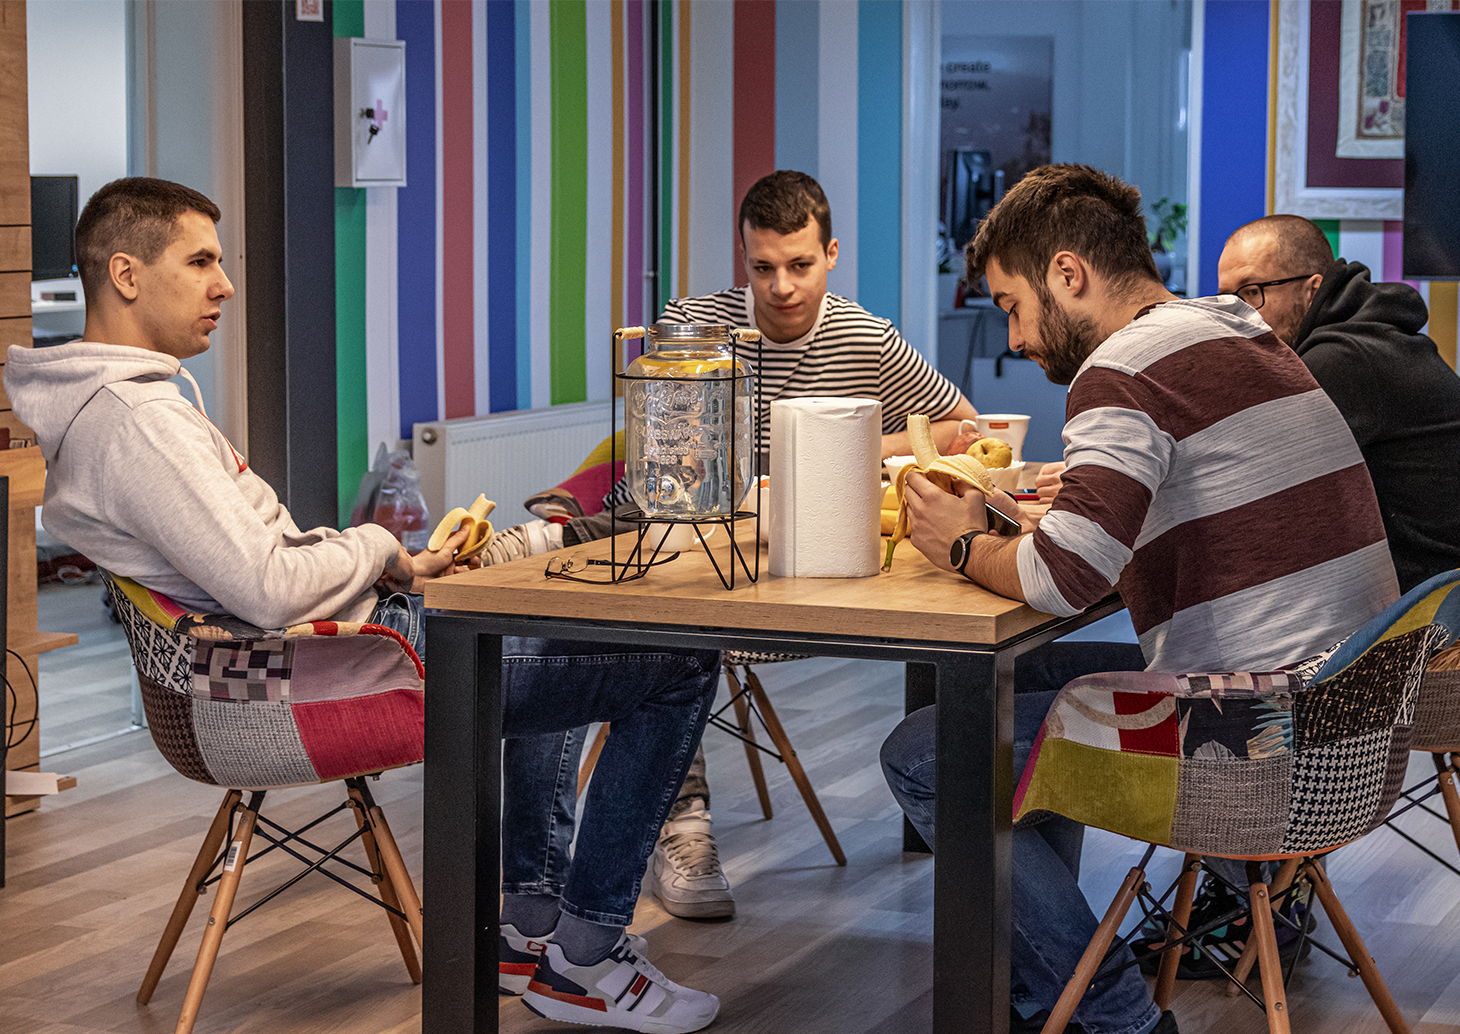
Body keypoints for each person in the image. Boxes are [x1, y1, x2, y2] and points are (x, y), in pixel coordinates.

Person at [4, 177, 722, 1034]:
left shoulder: (117, 406)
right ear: (124, 273)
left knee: (546, 625)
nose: (224, 284)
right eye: (200, 261)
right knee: (680, 659)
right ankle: (588, 956)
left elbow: (254, 570)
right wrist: (380, 550)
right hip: (299, 687)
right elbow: (267, 586)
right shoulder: (136, 419)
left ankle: (527, 927)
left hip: (272, 665)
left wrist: (389, 564)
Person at [878, 164, 1399, 1034]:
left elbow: (1061, 579)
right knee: (1010, 695)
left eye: (1011, 304)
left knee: (935, 749)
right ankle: (1050, 980)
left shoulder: (1119, 371)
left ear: (1068, 275)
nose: (1012, 339)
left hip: (1260, 739)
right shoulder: (1232, 329)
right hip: (1350, 715)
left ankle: (1113, 1015)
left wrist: (964, 541)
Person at [577, 170, 977, 920]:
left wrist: (842, 441)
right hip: (697, 552)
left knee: (608, 576)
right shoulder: (696, 323)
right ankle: (680, 821)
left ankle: (535, 542)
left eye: (800, 265)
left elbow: (962, 427)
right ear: (743, 261)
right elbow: (667, 460)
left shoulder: (866, 337)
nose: (783, 286)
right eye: (763, 267)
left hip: (807, 565)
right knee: (650, 613)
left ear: (831, 254)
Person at [1218, 214, 1460, 593]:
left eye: (1252, 292)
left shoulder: (1341, 360)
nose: (1237, 314)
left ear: (1311, 290)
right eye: (1227, 298)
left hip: (1432, 620)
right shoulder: (1367, 337)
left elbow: (1247, 484)